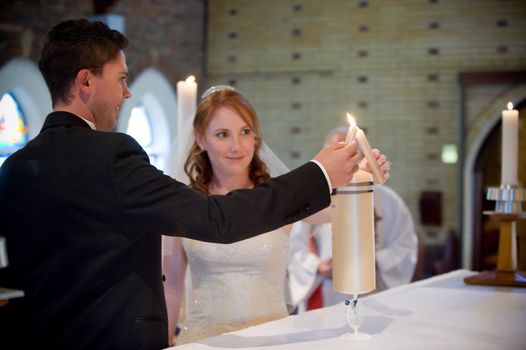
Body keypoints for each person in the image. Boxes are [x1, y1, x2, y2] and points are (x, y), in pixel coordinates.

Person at [0, 19, 365, 350]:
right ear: (85, 82)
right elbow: (217, 219)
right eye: (122, 79)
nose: (127, 93)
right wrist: (319, 171)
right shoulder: (113, 156)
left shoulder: (13, 169)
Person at [162, 88, 391, 345]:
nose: (236, 146)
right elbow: (171, 287)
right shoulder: (186, 206)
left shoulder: (280, 199)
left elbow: (339, 208)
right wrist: (165, 339)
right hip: (206, 340)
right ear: (201, 139)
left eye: (245, 132)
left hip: (272, 339)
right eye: (222, 134)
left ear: (255, 137)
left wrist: (361, 177)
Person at [287, 126, 418, 312]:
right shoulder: (311, 199)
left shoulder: (388, 201)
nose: (345, 160)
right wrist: (319, 266)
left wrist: (373, 260)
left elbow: (405, 244)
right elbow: (293, 247)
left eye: (352, 153)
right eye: (337, 153)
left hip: (373, 294)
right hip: (324, 291)